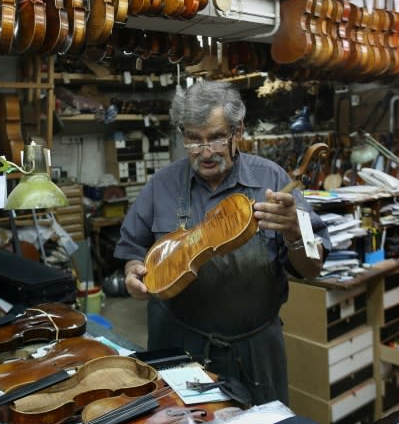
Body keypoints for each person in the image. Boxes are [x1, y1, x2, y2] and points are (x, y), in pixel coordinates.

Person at [114, 80, 331, 405]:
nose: (205, 152)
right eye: (193, 140)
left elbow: (313, 265)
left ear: (237, 131)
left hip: (256, 347)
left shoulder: (274, 180)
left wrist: (295, 234)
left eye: (216, 137)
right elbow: (132, 250)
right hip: (180, 345)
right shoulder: (161, 185)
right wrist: (133, 271)